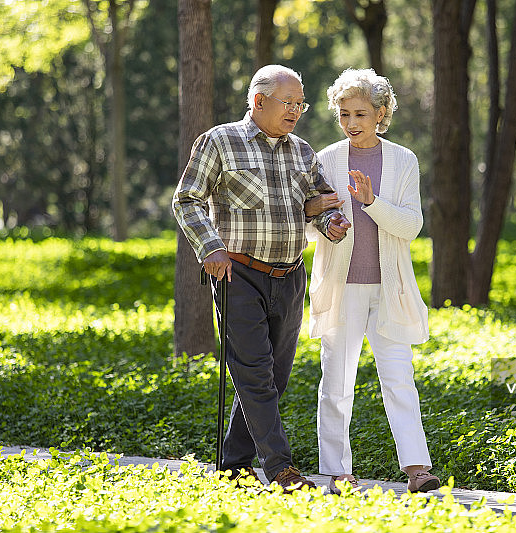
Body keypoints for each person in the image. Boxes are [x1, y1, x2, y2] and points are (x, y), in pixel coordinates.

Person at [172, 64, 351, 493]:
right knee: (254, 375)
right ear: (258, 101)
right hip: (238, 273)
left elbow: (319, 203)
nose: (296, 111)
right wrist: (209, 247)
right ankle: (281, 468)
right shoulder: (220, 141)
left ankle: (232, 465)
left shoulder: (302, 151)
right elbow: (187, 199)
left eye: (300, 104)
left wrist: (332, 223)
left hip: (290, 276)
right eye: (288, 103)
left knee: (275, 377)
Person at [305, 68, 439, 495]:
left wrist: (371, 202)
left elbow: (411, 225)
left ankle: (417, 468)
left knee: (399, 377)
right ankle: (337, 471)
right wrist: (328, 225)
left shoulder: (403, 160)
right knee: (337, 380)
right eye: (343, 114)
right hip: (341, 287)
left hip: (390, 288)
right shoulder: (325, 159)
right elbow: (310, 225)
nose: (351, 122)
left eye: (360, 113)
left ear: (381, 113)